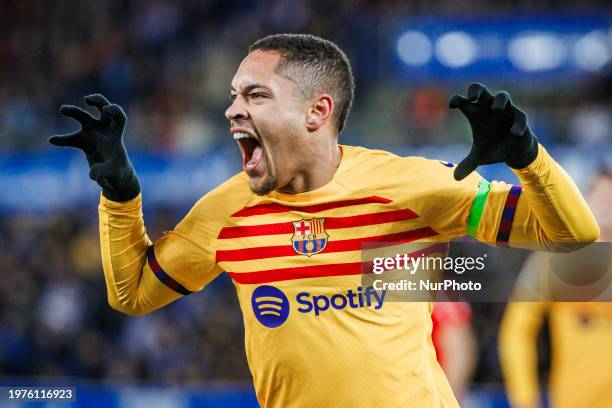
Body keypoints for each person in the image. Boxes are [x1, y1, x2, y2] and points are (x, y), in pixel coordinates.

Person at [49, 34, 599, 407]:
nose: (233, 110)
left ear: (318, 111)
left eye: (256, 95)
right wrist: (120, 198)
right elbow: (134, 294)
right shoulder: (225, 211)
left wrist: (528, 157)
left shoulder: (417, 187)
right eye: (234, 96)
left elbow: (573, 233)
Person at [499, 169, 612, 408]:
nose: (607, 203)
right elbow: (516, 331)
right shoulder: (555, 260)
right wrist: (525, 399)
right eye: (601, 194)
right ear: (585, 200)